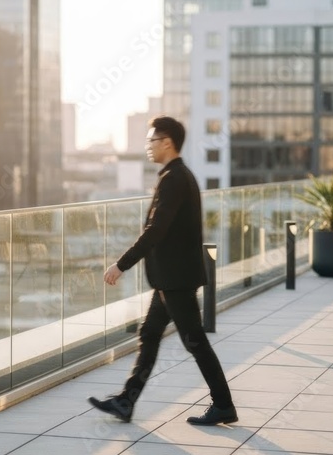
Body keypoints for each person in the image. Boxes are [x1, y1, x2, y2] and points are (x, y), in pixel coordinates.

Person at [88, 116, 237, 426]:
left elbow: (156, 230)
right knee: (151, 334)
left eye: (151, 141)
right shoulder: (178, 176)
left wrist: (121, 264)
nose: (148, 147)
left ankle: (223, 404)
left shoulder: (174, 179)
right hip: (170, 278)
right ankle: (127, 401)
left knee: (194, 341)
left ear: (167, 143)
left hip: (176, 279)